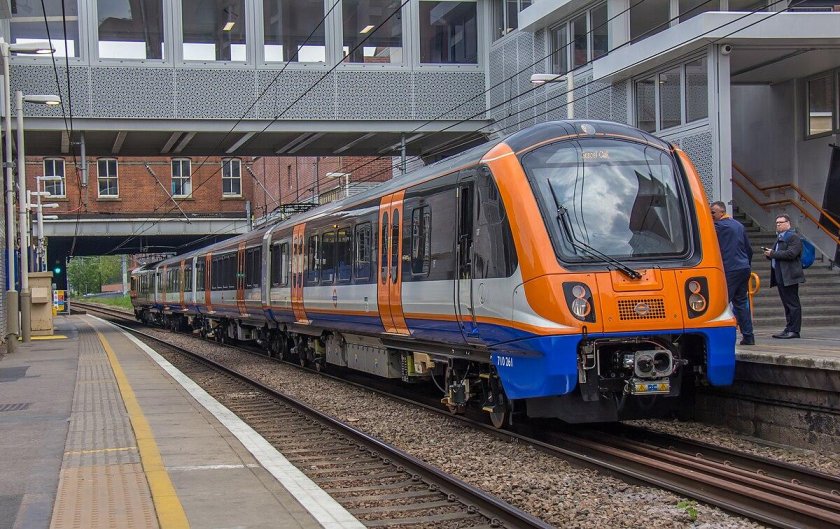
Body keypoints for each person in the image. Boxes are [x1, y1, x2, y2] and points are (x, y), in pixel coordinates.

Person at [710, 201, 754, 345]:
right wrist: (747, 264)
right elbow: (748, 248)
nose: (711, 215)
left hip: (730, 269)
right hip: (743, 267)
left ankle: (718, 338)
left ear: (722, 212)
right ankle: (748, 336)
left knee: (721, 303)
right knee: (741, 303)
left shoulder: (718, 227)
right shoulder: (738, 225)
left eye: (713, 212)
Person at [763, 214, 804, 339]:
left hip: (789, 275)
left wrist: (773, 253)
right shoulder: (780, 237)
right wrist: (769, 254)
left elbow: (791, 254)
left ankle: (794, 330)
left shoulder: (793, 237)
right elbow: (778, 254)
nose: (778, 224)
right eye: (777, 222)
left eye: (781, 222)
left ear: (788, 223)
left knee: (792, 304)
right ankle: (789, 328)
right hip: (780, 274)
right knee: (786, 304)